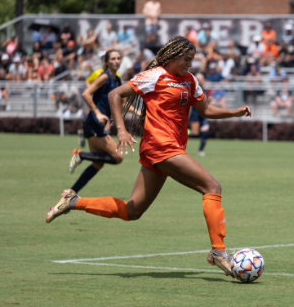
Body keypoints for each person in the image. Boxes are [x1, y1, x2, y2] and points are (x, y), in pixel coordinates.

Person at [46, 37, 252, 278]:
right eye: (187, 59)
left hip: (169, 149)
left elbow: (205, 110)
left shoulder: (190, 81)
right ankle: (218, 253)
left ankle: (73, 201)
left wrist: (234, 113)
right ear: (173, 56)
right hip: (160, 147)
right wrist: (121, 129)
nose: (190, 64)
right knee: (212, 186)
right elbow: (115, 95)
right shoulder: (155, 75)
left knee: (133, 211)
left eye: (192, 60)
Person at [65, 50, 138, 192]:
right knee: (118, 157)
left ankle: (71, 193)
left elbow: (123, 105)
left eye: (118, 58)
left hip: (94, 124)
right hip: (94, 122)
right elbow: (86, 94)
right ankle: (79, 154)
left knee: (98, 164)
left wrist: (140, 113)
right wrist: (98, 113)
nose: (116, 61)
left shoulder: (117, 79)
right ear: (106, 61)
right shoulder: (104, 77)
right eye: (113, 59)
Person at [188, 73, 209, 157]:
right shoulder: (193, 89)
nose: (201, 81)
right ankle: (184, 132)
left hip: (203, 114)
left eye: (202, 79)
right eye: (199, 79)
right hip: (195, 113)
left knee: (205, 131)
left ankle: (200, 151)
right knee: (195, 133)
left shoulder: (206, 90)